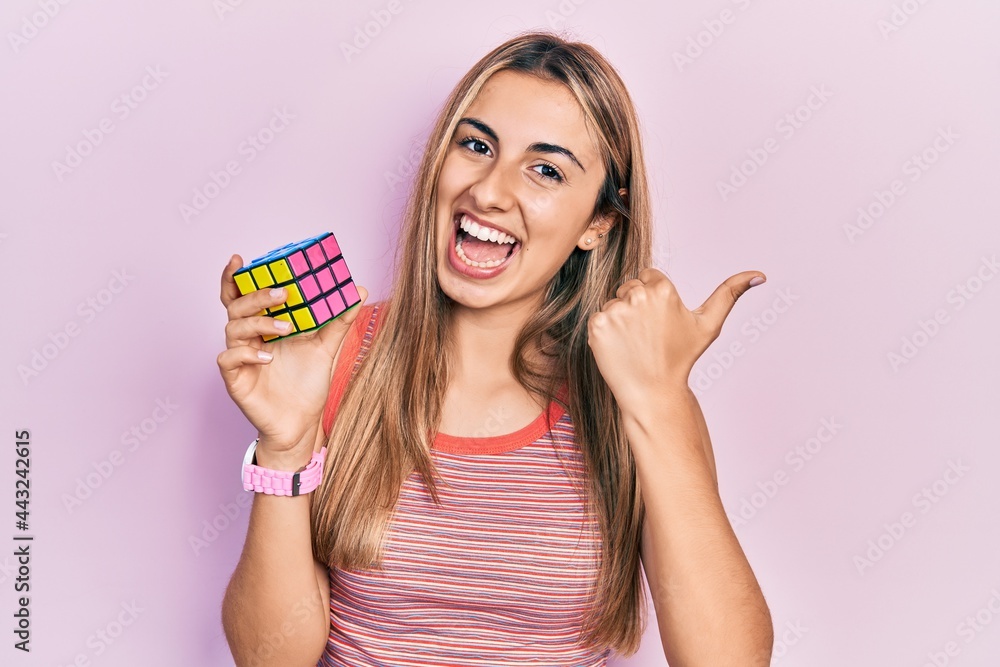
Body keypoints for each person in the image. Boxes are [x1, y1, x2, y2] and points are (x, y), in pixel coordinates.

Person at [218, 30, 773, 667]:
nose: (488, 190)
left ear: (598, 223)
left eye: (545, 169)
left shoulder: (641, 396)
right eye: (477, 145)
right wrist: (284, 447)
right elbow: (269, 658)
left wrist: (656, 398)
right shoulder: (334, 360)